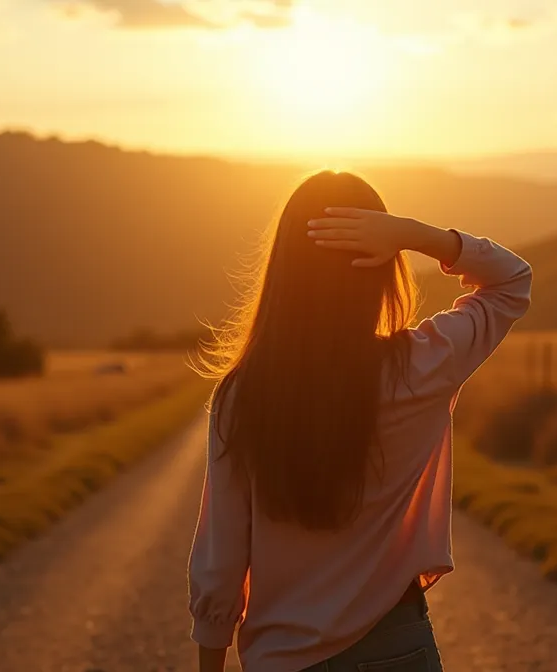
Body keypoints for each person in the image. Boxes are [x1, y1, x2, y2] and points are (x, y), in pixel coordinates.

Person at [188, 171, 532, 672]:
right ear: (383, 270)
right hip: (396, 649)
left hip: (281, 658)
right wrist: (414, 235)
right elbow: (512, 281)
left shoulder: (244, 394)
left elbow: (220, 560)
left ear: (284, 270)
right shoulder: (422, 365)